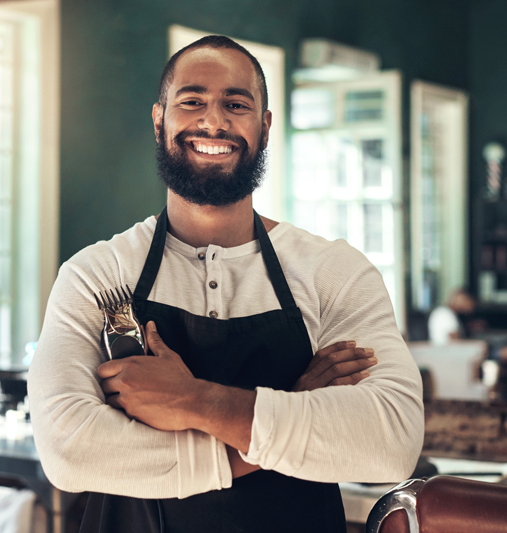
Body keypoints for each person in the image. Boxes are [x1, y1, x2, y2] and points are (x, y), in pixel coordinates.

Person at [28, 35, 424, 532]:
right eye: (192, 101)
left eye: (236, 104)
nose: (213, 121)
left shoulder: (333, 271)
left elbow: (389, 442)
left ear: (264, 125)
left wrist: (192, 401)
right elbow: (70, 450)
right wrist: (287, 417)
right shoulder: (98, 274)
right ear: (159, 120)